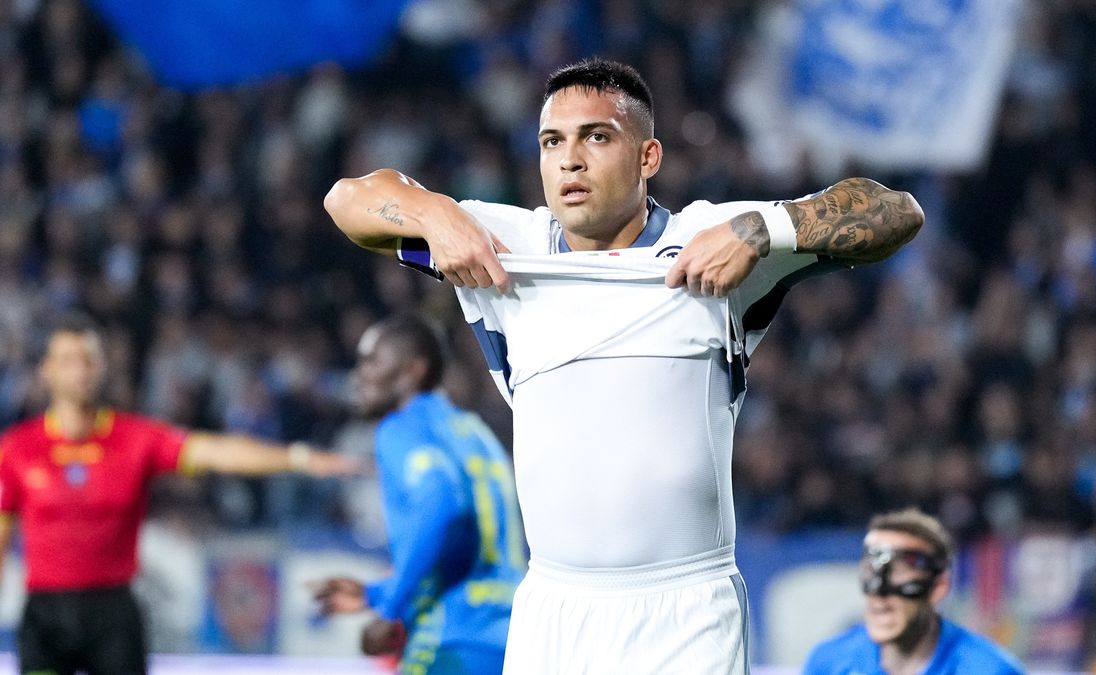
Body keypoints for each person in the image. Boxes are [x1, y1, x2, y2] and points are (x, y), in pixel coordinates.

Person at [324, 57, 923, 673]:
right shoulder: (504, 243)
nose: (570, 160)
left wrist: (761, 228)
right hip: (552, 611)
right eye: (552, 141)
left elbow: (894, 212)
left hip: (687, 611)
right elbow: (347, 200)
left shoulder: (707, 240)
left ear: (648, 157)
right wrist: (432, 214)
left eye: (597, 137)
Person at [0, 315, 358, 675]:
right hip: (45, 616)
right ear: (46, 371)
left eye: (88, 359)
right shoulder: (17, 449)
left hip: (113, 613)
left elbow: (216, 452)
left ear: (103, 367)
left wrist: (297, 457)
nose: (80, 370)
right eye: (68, 360)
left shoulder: (135, 438)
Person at [311, 317, 524, 674]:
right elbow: (472, 543)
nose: (360, 374)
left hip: (452, 636)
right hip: (510, 638)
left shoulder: (401, 426)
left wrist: (390, 607)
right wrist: (374, 594)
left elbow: (440, 503)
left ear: (413, 371)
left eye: (372, 361)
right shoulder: (473, 431)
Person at [803, 508, 1024, 675]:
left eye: (899, 577)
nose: (880, 598)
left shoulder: (988, 670)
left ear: (938, 588)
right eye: (872, 574)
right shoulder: (829, 663)